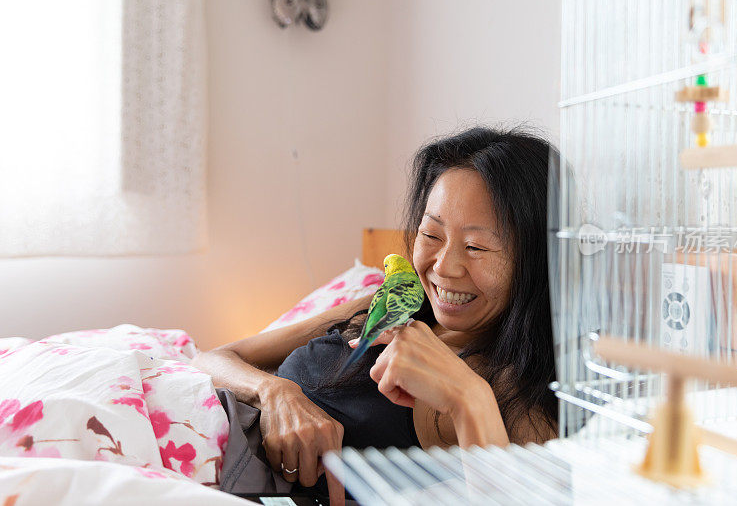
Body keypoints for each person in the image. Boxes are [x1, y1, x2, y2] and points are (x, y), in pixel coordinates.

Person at [191, 126, 562, 506]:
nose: (444, 267)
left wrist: (469, 397)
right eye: (431, 236)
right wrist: (276, 394)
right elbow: (211, 357)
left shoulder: (510, 395)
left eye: (476, 246)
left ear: (535, 260)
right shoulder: (394, 301)